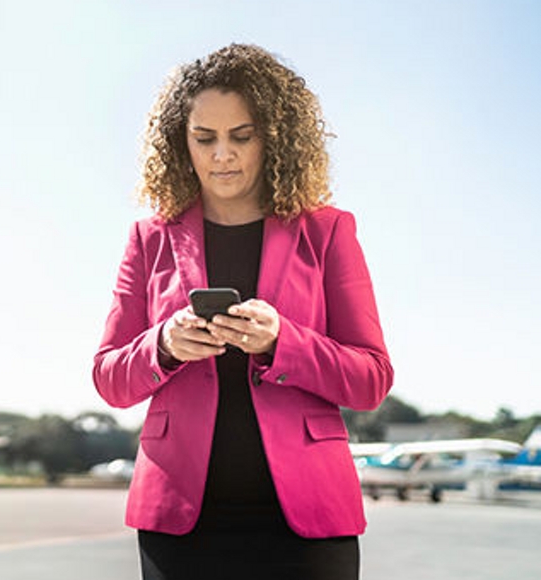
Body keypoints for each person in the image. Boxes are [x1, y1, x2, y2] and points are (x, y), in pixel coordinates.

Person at [92, 43, 393, 580]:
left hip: (307, 522)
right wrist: (163, 344)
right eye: (204, 138)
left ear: (273, 139)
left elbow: (370, 378)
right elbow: (110, 378)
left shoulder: (328, 232)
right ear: (180, 143)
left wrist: (283, 342)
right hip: (180, 522)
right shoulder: (148, 238)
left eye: (241, 137)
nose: (221, 155)